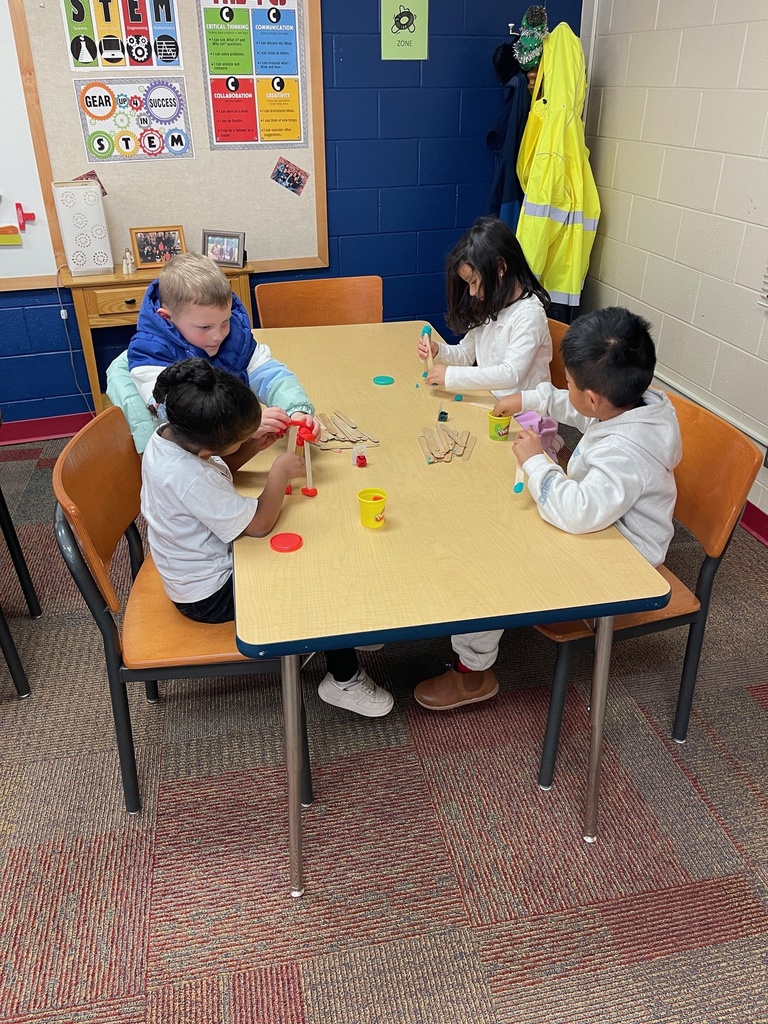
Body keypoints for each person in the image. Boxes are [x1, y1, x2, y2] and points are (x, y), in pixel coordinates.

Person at [414, 307, 682, 711]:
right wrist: (529, 398)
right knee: (498, 518)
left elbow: (577, 512)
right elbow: (574, 407)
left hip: (626, 556)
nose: (565, 388)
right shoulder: (630, 404)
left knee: (498, 561)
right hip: (602, 522)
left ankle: (472, 674)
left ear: (593, 396)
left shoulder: (625, 453)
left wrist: (536, 461)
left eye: (568, 383)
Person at [142, 358, 394, 718]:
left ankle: (350, 634)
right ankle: (343, 679)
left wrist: (252, 448)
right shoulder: (187, 476)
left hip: (195, 566)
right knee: (317, 576)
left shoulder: (172, 436)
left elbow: (216, 470)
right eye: (239, 440)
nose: (247, 441)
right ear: (208, 447)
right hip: (208, 595)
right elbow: (259, 524)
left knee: (312, 555)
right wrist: (278, 473)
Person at [107, 252, 318, 453]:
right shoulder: (151, 353)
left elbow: (269, 374)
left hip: (226, 444)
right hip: (184, 458)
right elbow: (182, 412)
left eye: (225, 322)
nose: (218, 335)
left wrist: (296, 410)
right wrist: (244, 426)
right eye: (205, 328)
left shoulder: (233, 335)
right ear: (166, 318)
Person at [417, 216, 552, 397]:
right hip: (493, 404)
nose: (472, 292)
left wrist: (451, 376)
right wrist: (438, 351)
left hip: (526, 417)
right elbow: (465, 354)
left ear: (500, 267)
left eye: (474, 282)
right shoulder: (492, 305)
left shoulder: (529, 314)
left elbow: (510, 374)